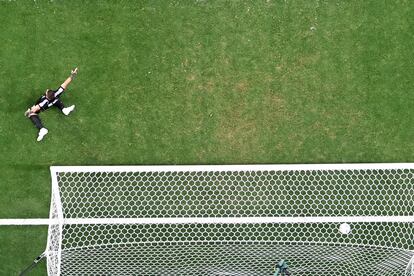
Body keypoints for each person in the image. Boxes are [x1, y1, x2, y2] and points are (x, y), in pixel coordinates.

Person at [25, 68, 78, 141]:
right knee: (56, 100)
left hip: (43, 107)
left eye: (47, 92)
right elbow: (65, 84)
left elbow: (36, 108)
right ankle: (64, 109)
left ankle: (42, 129)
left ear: (46, 96)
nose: (47, 90)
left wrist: (29, 112)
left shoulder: (43, 102)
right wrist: (73, 75)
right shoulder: (56, 93)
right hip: (53, 101)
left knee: (31, 114)